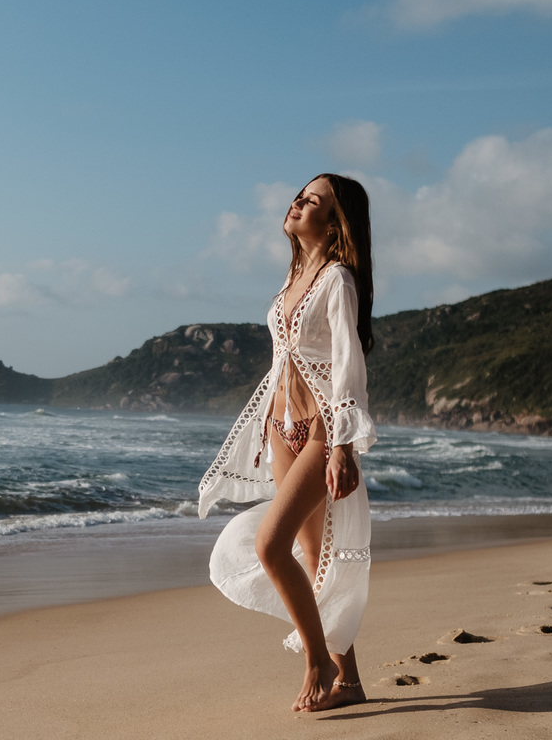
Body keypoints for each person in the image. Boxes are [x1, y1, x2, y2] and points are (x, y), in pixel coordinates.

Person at [197, 173, 377, 713]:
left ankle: (316, 660)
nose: (297, 202)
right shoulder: (293, 278)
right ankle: (350, 680)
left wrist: (343, 444)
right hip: (283, 430)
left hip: (322, 430)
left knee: (269, 547)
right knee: (312, 555)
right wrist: (266, 427)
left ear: (334, 222)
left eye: (313, 201)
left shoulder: (337, 279)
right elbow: (284, 365)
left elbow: (348, 365)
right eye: (299, 195)